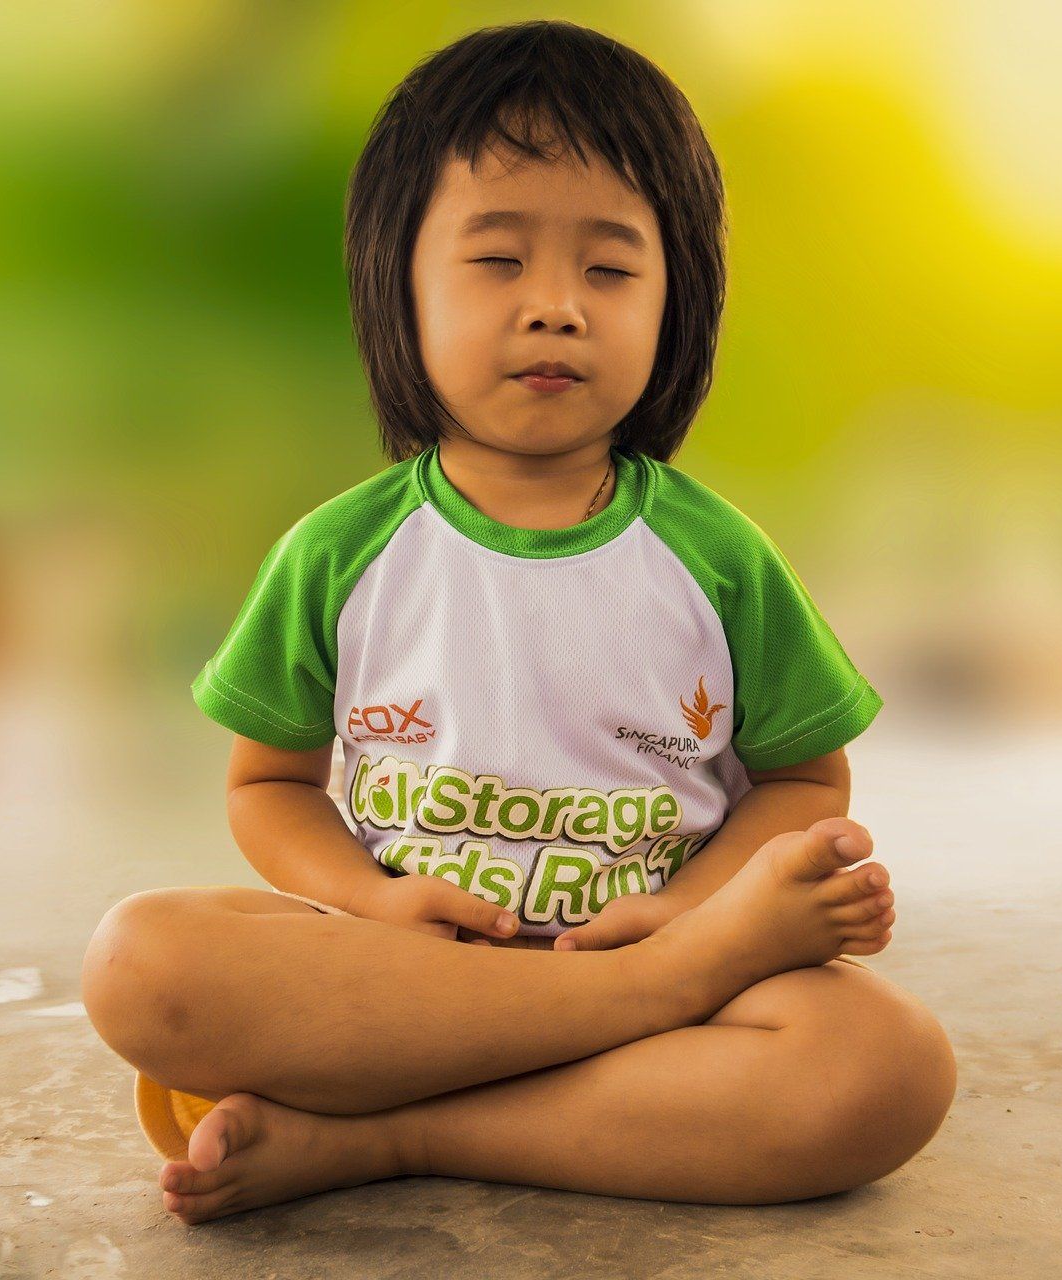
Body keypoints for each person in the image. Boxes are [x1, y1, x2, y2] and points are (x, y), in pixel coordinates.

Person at [82, 19, 954, 1224]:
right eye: (498, 261)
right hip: (405, 989)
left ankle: (391, 1133)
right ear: (402, 284)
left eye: (609, 269)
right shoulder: (340, 552)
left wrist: (691, 910)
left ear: (677, 300)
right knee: (142, 963)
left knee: (884, 1067)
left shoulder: (718, 559)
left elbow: (804, 780)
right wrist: (377, 901)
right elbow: (266, 786)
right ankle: (611, 1022)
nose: (555, 307)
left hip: (648, 949)